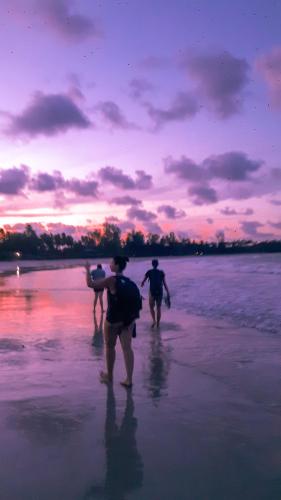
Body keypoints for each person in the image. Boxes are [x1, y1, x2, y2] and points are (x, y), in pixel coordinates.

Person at [85, 256, 142, 388]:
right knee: (127, 348)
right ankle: (129, 379)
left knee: (110, 347)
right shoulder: (129, 282)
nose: (110, 264)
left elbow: (90, 284)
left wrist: (88, 270)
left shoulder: (111, 280)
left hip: (113, 320)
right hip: (128, 320)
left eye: (111, 262)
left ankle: (109, 376)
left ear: (116, 266)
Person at [141, 258, 170, 328]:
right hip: (160, 291)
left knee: (151, 307)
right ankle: (158, 324)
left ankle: (154, 321)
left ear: (152, 264)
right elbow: (164, 283)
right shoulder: (161, 272)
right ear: (157, 264)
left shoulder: (149, 272)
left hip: (152, 291)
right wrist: (167, 291)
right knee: (158, 307)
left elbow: (143, 281)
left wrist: (142, 283)